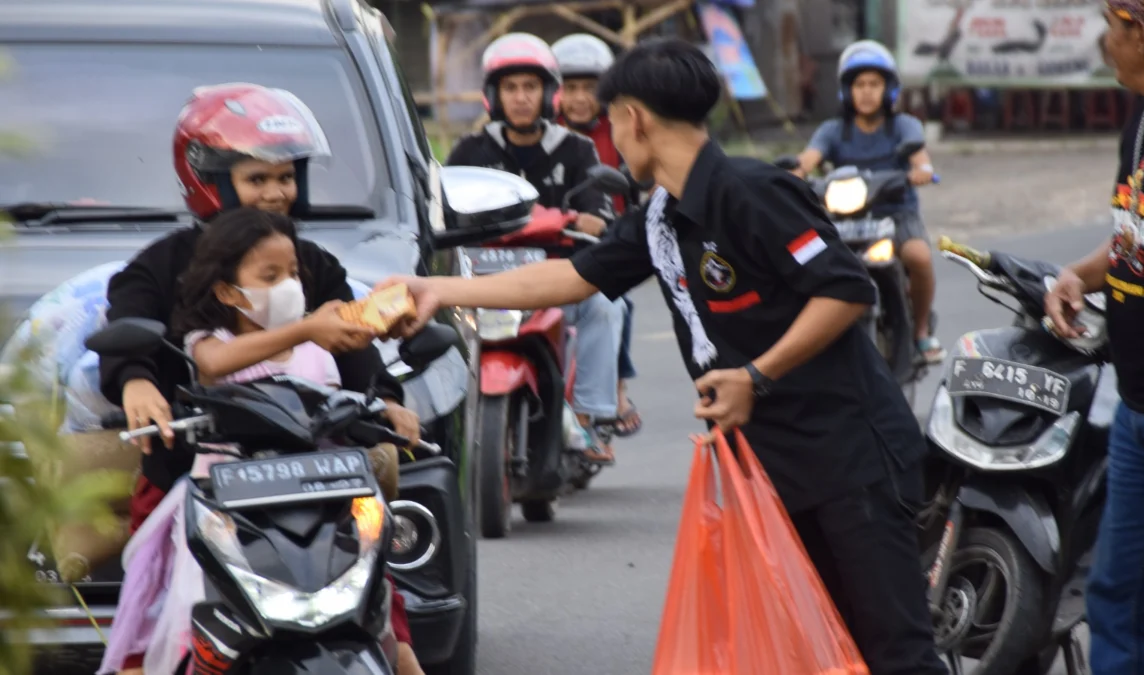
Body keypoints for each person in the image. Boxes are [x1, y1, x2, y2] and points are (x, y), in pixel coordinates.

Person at [381, 38, 946, 675]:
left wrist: (756, 376)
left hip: (852, 460)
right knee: (822, 652)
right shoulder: (660, 217)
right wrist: (439, 289)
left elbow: (846, 289)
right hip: (774, 469)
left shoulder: (751, 191)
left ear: (635, 118)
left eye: (612, 120)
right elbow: (570, 279)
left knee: (896, 654)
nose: (611, 138)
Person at [98, 83, 423, 675]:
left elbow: (355, 349)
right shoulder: (163, 263)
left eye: (286, 177)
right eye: (257, 179)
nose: (276, 193)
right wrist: (135, 383)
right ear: (212, 183)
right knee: (155, 617)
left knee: (388, 618)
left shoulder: (314, 264)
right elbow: (132, 327)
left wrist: (390, 401)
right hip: (193, 473)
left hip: (318, 478)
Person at [1046, 3, 1144, 673]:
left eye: (1110, 24)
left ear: (1138, 34)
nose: (1102, 39)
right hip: (1136, 403)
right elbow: (1134, 241)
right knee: (1120, 592)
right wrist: (1076, 277)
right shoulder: (1141, 120)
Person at [447, 32, 624, 463]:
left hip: (559, 283)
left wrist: (589, 221)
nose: (521, 97)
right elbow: (447, 210)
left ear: (548, 94)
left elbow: (600, 217)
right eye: (511, 88)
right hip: (484, 285)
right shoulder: (469, 151)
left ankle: (589, 419)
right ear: (494, 94)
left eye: (530, 87)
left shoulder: (577, 149)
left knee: (605, 305)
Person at [791, 40, 944, 363]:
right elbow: (808, 159)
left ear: (888, 89)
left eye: (874, 84)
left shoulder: (903, 125)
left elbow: (920, 157)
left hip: (896, 214)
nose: (866, 91)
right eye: (859, 84)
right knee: (807, 261)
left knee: (918, 256)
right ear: (847, 90)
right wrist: (796, 171)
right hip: (843, 218)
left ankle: (920, 332)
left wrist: (922, 170)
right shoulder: (833, 130)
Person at [552, 32, 643, 437]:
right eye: (569, 88)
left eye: (589, 88)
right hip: (547, 243)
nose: (579, 98)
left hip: (606, 240)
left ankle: (615, 389)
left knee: (618, 301)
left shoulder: (619, 128)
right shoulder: (545, 132)